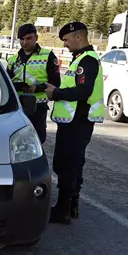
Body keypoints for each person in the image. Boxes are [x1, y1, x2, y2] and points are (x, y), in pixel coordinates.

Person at [44, 21, 104, 224]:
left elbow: (83, 91)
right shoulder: (81, 59)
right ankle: (71, 206)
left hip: (77, 122)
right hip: (74, 121)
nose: (65, 44)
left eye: (67, 40)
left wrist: (56, 93)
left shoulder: (87, 60)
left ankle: (62, 210)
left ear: (79, 37)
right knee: (73, 164)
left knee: (67, 165)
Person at [6, 23, 61, 144]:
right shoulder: (13, 59)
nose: (24, 42)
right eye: (22, 39)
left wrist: (37, 88)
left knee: (37, 140)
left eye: (28, 38)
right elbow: (5, 83)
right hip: (17, 106)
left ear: (36, 37)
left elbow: (56, 82)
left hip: (38, 107)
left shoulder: (48, 56)